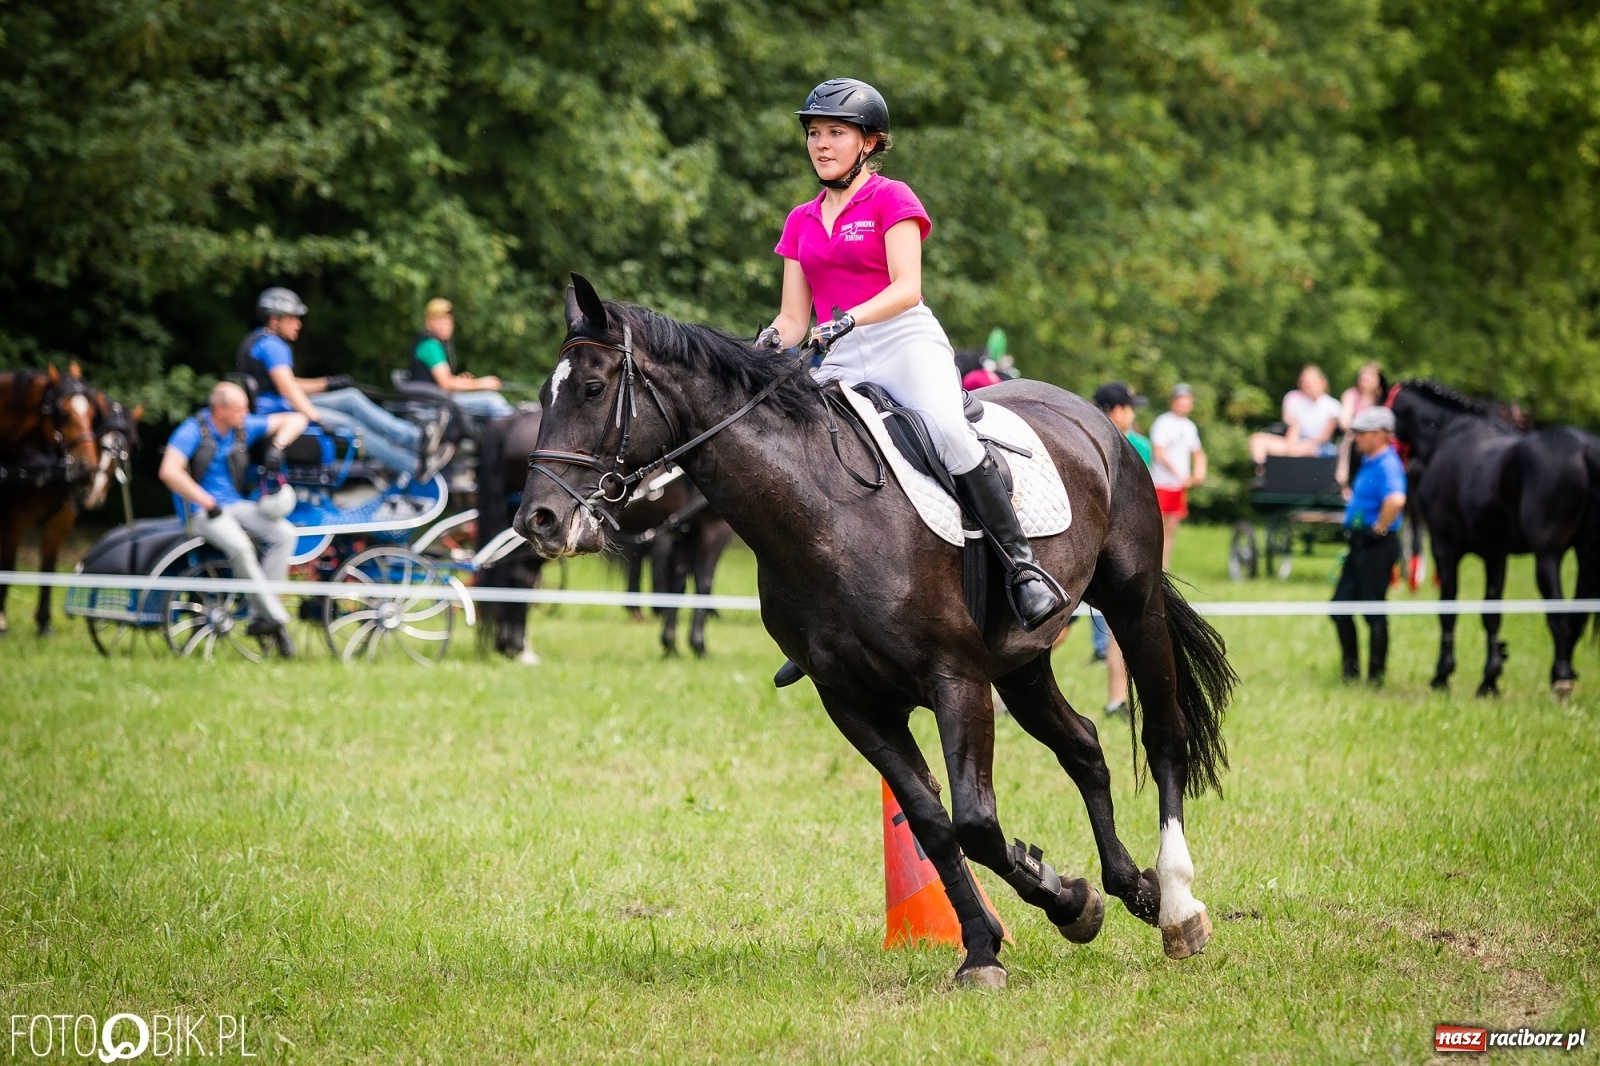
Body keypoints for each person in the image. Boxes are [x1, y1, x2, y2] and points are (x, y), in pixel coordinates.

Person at [762, 79, 1064, 686]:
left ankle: (1023, 569)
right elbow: (794, 320)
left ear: (869, 143)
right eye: (814, 133)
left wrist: (844, 319)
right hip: (839, 353)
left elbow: (907, 288)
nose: (821, 144)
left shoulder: (891, 198)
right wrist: (757, 351)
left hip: (903, 342)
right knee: (810, 456)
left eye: (835, 133)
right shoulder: (800, 219)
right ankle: (826, 607)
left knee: (949, 430)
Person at [159, 382, 308, 656]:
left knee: (285, 534)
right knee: (240, 547)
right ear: (219, 410)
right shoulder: (192, 431)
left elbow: (297, 418)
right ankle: (278, 619)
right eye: (239, 409)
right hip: (200, 512)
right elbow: (169, 471)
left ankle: (259, 616)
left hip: (235, 506)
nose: (246, 413)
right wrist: (206, 501)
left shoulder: (241, 427)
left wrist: (278, 445)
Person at [238, 287, 450, 481]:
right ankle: (414, 465)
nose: (298, 324)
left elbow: (287, 383)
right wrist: (314, 417)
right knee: (353, 426)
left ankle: (416, 437)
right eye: (292, 318)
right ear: (274, 320)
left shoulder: (259, 340)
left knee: (350, 397)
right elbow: (288, 389)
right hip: (283, 412)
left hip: (283, 405)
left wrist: (327, 383)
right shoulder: (274, 347)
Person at [1332, 405, 1407, 685]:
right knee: (1339, 608)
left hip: (1377, 545)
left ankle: (1375, 677)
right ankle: (1350, 671)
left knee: (1373, 611)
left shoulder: (1388, 463)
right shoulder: (1369, 461)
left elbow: (1396, 500)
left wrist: (1379, 527)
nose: (1357, 438)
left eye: (1362, 433)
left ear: (1380, 435)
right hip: (1360, 545)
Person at [1091, 382, 1152, 716]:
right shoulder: (1137, 446)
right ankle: (1117, 700)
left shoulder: (1073, 438)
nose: (1133, 413)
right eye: (1130, 407)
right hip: (1114, 549)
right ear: (1117, 411)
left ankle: (1117, 699)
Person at [410, 298, 514, 420]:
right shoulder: (430, 346)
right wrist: (481, 384)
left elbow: (445, 379)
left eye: (449, 320)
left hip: (437, 400)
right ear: (429, 322)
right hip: (431, 405)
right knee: (492, 401)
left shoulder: (431, 344)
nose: (448, 324)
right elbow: (446, 383)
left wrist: (462, 382)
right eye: (441, 320)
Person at [1149, 383, 1206, 570]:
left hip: (1178, 486)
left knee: (1172, 527)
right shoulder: (1163, 423)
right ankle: (1154, 564)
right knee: (1157, 528)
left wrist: (1199, 470)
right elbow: (1159, 453)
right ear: (1173, 402)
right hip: (1162, 483)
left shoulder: (1189, 426)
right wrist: (1179, 473)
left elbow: (1197, 452)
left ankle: (1165, 566)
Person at [1249, 364, 1342, 468]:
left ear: (1322, 382)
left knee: (1302, 452)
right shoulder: (1296, 403)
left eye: (1311, 382)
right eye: (1304, 382)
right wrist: (1292, 446)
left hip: (1318, 447)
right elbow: (1293, 428)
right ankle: (1263, 475)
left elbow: (1325, 437)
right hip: (1295, 442)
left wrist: (1301, 447)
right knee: (1257, 440)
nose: (1307, 386)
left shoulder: (1333, 405)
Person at [1335, 361, 1385, 493]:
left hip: (1376, 440)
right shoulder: (1350, 395)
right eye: (1363, 376)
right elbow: (1345, 421)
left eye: (1370, 376)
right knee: (1350, 441)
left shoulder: (1382, 398)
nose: (1365, 379)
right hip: (1355, 438)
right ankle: (1345, 485)